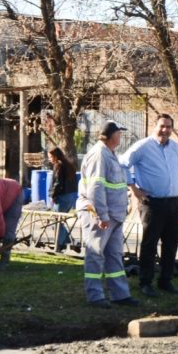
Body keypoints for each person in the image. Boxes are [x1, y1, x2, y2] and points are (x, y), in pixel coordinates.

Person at [122, 113, 178, 297]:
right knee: (150, 243)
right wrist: (134, 188)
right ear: (155, 126)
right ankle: (145, 282)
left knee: (171, 243)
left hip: (172, 201)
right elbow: (122, 164)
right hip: (152, 202)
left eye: (169, 127)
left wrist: (173, 182)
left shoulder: (175, 147)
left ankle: (166, 281)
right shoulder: (143, 146)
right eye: (162, 126)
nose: (165, 130)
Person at [77, 121, 139, 308]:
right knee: (95, 254)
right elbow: (96, 188)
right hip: (102, 215)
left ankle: (120, 294)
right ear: (112, 135)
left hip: (114, 215)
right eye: (119, 133)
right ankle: (95, 296)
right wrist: (101, 215)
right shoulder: (99, 155)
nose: (121, 137)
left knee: (114, 255)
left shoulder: (108, 153)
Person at [48, 147, 78, 252]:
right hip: (71, 195)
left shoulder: (59, 165)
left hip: (63, 196)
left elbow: (57, 183)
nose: (50, 159)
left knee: (56, 220)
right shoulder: (68, 165)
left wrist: (53, 195)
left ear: (55, 156)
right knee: (59, 220)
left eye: (51, 157)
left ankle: (60, 244)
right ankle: (69, 242)